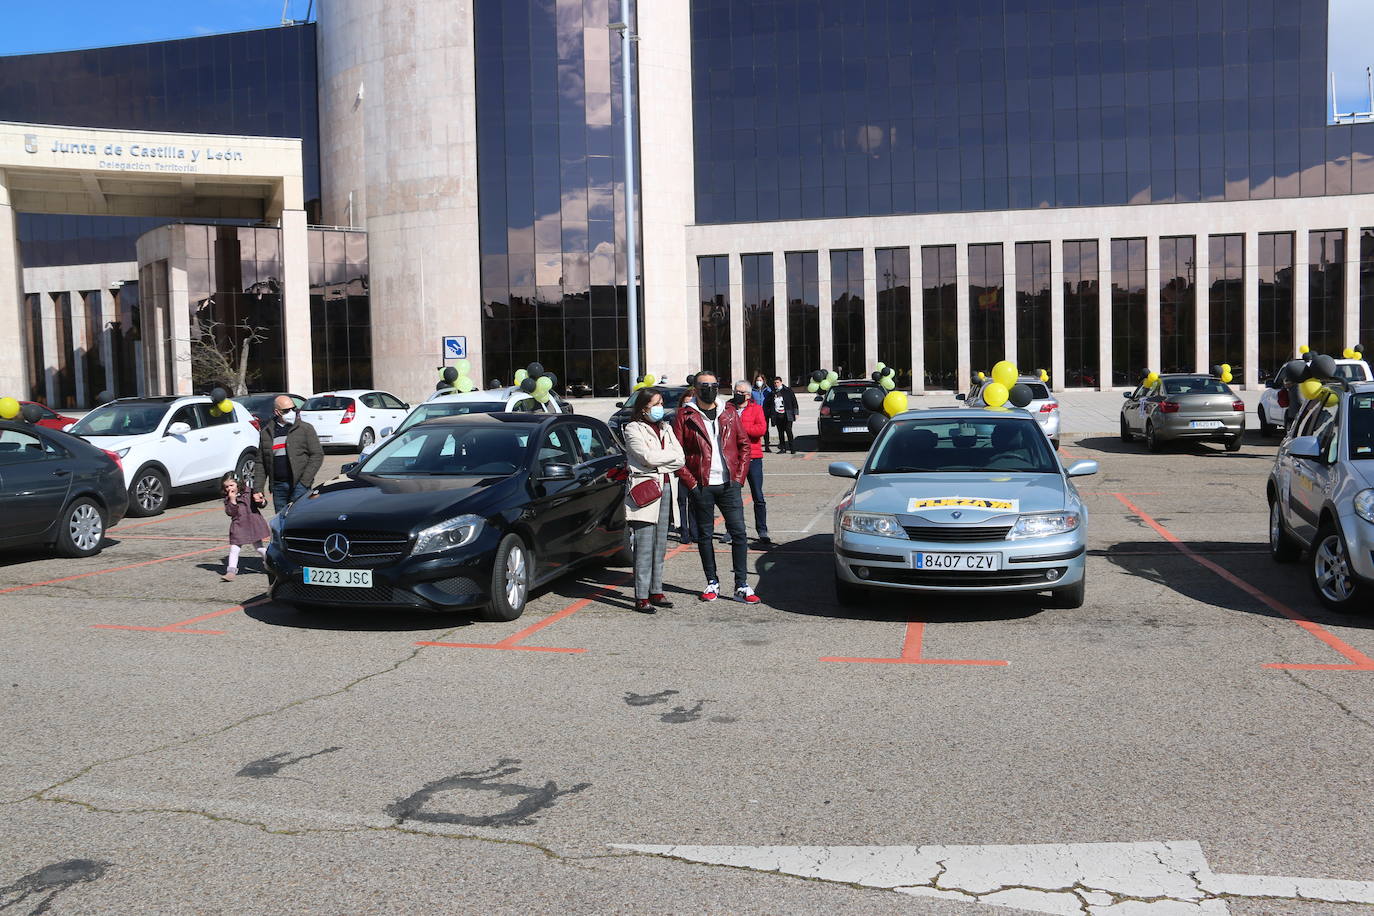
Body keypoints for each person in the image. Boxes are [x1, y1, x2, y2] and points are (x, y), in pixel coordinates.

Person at [672, 371, 759, 603]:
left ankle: (741, 584)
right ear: (695, 389)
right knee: (705, 535)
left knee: (739, 533)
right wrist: (691, 483)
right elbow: (676, 454)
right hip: (702, 485)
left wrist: (738, 478)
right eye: (704, 386)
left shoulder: (728, 412)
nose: (709, 389)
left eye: (713, 385)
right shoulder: (684, 415)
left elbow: (744, 445)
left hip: (729, 484)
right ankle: (712, 582)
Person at [621, 387, 686, 614]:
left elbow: (681, 458)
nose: (660, 408)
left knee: (660, 544)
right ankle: (641, 596)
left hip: (667, 487)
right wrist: (666, 460)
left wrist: (660, 461)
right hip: (646, 490)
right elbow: (645, 457)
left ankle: (656, 590)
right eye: (655, 404)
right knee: (644, 545)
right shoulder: (632, 428)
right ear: (643, 408)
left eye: (661, 403)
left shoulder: (666, 427)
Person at [257, 395, 323, 513]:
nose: (291, 413)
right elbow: (261, 462)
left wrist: (304, 482)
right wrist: (258, 489)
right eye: (286, 410)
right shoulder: (267, 432)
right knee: (281, 519)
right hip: (279, 487)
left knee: (300, 518)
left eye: (294, 409)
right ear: (277, 412)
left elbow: (317, 455)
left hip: (300, 485)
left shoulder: (305, 428)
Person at [728, 380, 770, 545]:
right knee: (732, 497)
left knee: (757, 495)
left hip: (753, 457)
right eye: (735, 391)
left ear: (748, 394)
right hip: (733, 458)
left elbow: (761, 429)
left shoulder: (756, 408)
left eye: (740, 392)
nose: (737, 394)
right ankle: (733, 530)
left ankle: (762, 530)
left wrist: (741, 430)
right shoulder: (728, 408)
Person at [220, 472, 269, 581]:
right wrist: (232, 500)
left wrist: (262, 501)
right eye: (226, 487)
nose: (229, 488)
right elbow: (230, 512)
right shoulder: (228, 499)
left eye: (231, 485)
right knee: (234, 549)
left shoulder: (249, 492)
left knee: (259, 548)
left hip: (253, 524)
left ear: (238, 483)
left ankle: (270, 563)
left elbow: (261, 504)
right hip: (238, 525)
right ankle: (231, 572)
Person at [674, 387, 700, 544]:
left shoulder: (698, 420)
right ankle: (684, 531)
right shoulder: (676, 419)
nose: (687, 407)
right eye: (685, 404)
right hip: (680, 465)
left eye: (690, 403)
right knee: (682, 501)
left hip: (694, 464)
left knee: (694, 500)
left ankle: (695, 531)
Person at [767, 375, 799, 454]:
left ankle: (792, 448)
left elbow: (794, 402)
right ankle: (782, 448)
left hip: (787, 414)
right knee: (780, 432)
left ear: (781, 382)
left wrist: (796, 413)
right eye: (775, 383)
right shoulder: (772, 392)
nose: (776, 384)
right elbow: (770, 404)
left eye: (777, 382)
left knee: (788, 431)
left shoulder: (788, 390)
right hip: (777, 415)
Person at [751, 372, 773, 451]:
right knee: (756, 430)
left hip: (765, 412)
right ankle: (756, 446)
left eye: (760, 380)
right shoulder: (752, 390)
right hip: (755, 413)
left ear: (763, 381)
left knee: (765, 430)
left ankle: (767, 446)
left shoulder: (768, 390)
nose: (759, 382)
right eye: (757, 380)